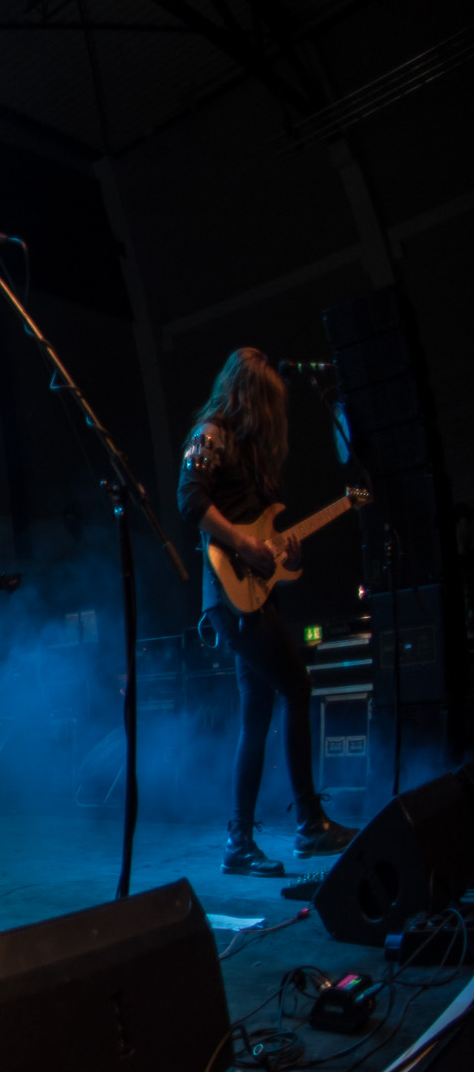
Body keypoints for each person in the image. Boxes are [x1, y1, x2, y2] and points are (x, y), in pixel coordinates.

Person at [178, 348, 359, 876]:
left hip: (258, 592)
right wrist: (242, 543)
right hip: (229, 595)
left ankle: (240, 843)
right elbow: (190, 499)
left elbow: (265, 535)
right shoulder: (212, 434)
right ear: (249, 395)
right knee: (297, 687)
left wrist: (287, 555)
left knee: (256, 715)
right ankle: (309, 823)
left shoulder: (256, 455)